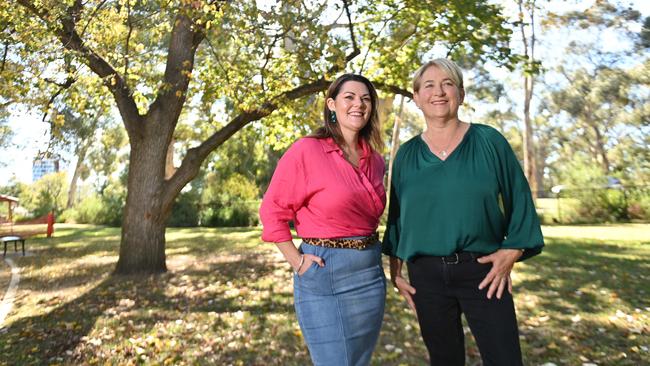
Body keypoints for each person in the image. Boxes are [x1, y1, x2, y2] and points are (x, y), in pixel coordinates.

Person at [382, 58, 544, 366]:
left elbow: (519, 197)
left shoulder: (489, 141)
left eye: (447, 84)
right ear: (416, 98)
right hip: (425, 275)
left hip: (483, 271)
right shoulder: (407, 154)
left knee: (505, 358)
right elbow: (399, 218)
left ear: (461, 93)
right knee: (444, 360)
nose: (438, 92)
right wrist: (396, 272)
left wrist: (514, 249)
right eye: (428, 85)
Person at [259, 74, 386, 366]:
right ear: (332, 105)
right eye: (349, 97)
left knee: (358, 362)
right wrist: (297, 260)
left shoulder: (375, 160)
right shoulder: (307, 150)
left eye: (366, 99)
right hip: (324, 270)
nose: (358, 105)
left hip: (369, 273)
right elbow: (272, 211)